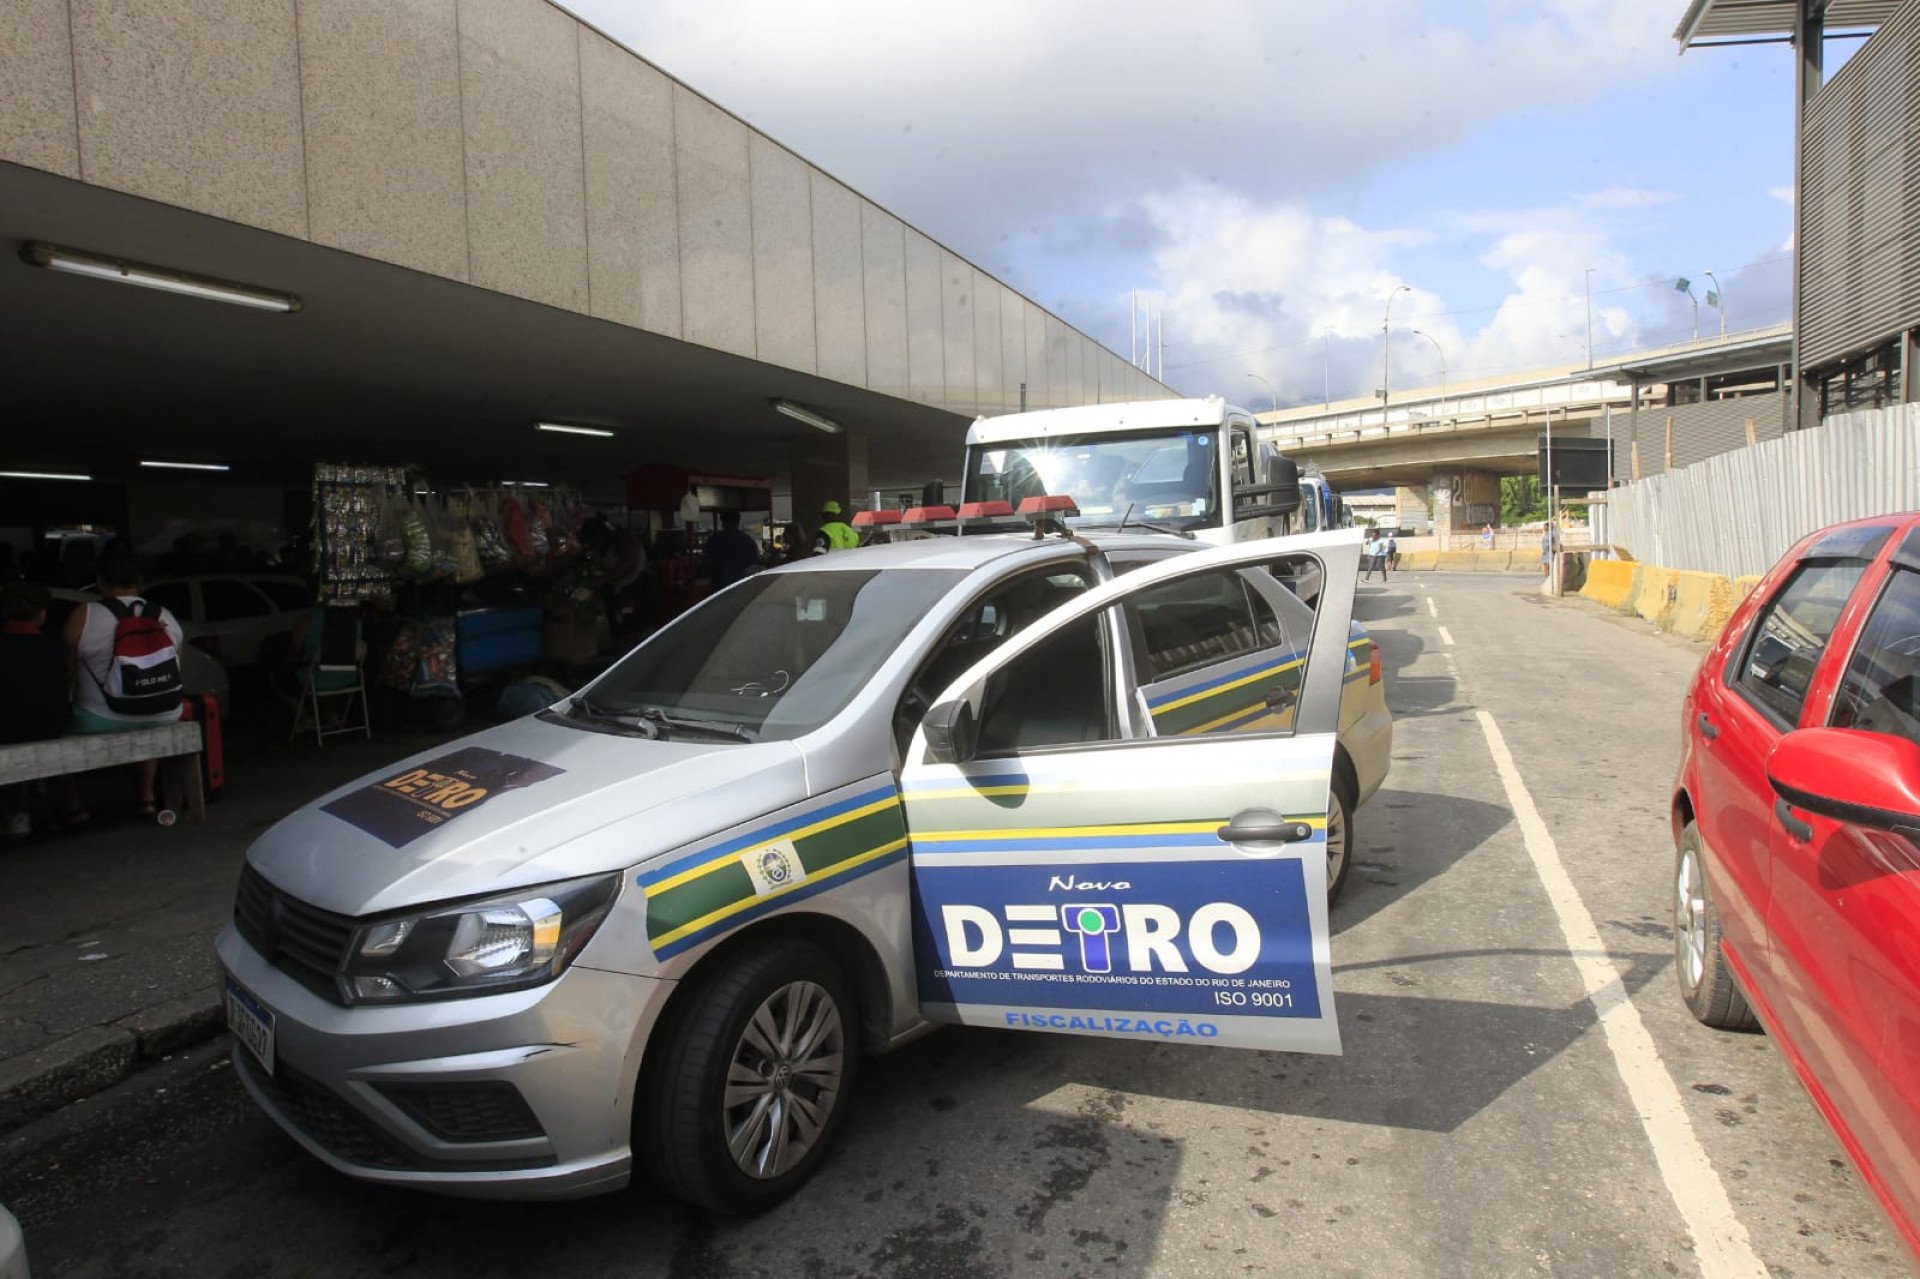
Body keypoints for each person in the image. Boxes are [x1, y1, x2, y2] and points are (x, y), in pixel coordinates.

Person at [64, 546, 186, 824]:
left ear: (99, 581)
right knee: (147, 708)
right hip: (164, 713)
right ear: (139, 580)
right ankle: (145, 798)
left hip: (99, 718)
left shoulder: (84, 615)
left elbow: (67, 666)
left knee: (53, 728)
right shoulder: (164, 615)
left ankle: (74, 806)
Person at [0, 582, 70, 837]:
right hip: (50, 725)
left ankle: (19, 811)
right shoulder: (55, 648)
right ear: (41, 614)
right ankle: (26, 810)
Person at [703, 510, 761, 587]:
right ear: (738, 522)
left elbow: (707, 564)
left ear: (723, 522)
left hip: (719, 585)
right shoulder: (748, 541)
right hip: (741, 585)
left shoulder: (713, 540)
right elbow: (754, 565)